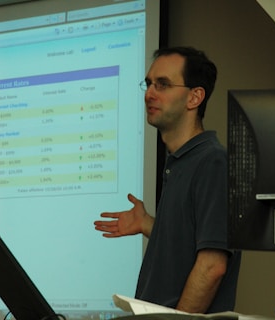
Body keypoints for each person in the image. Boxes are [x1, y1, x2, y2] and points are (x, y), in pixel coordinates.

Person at [94, 46, 241, 314]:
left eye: (163, 84)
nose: (150, 93)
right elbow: (189, 241)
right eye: (149, 84)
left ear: (194, 97)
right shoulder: (179, 163)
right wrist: (151, 225)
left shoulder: (212, 162)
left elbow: (212, 266)